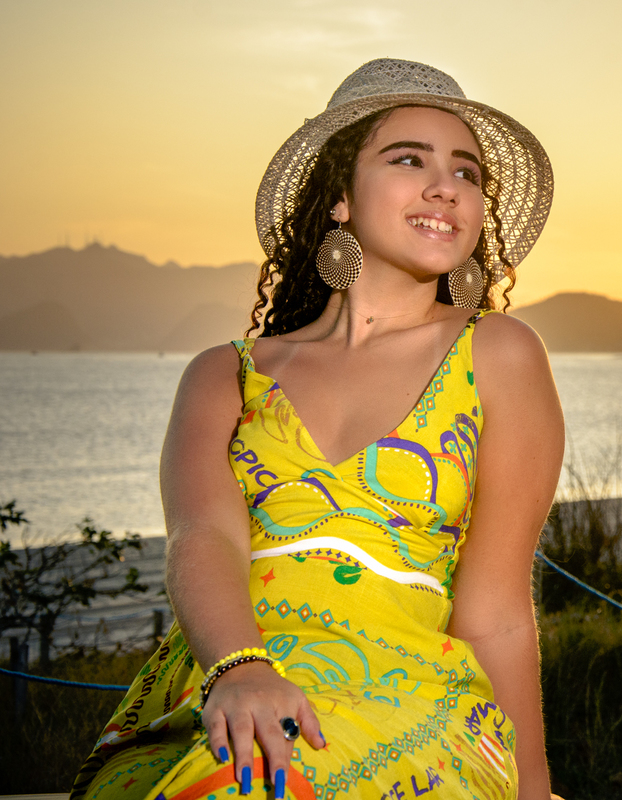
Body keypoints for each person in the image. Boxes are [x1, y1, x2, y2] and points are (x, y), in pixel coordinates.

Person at [72, 59, 563, 800]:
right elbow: (202, 537)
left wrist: (532, 789)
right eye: (410, 160)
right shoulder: (225, 375)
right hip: (226, 684)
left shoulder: (496, 354)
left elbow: (495, 611)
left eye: (467, 173)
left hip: (411, 702)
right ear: (339, 196)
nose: (446, 187)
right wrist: (241, 668)